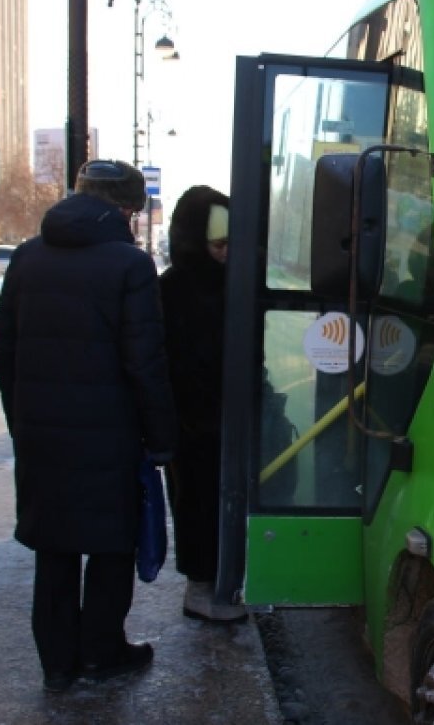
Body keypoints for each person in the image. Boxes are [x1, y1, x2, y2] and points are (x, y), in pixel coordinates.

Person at [0, 159, 178, 692]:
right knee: (110, 545)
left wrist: (20, 420)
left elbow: (5, 350)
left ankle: (56, 663)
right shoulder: (129, 266)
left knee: (55, 549)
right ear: (125, 208)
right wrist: (161, 439)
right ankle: (101, 651)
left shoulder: (27, 258)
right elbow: (146, 363)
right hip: (110, 436)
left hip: (41, 433)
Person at [157, 185, 247, 621]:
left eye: (233, 243)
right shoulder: (173, 290)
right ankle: (201, 587)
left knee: (220, 503)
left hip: (222, 418)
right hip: (193, 424)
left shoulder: (235, 284)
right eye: (219, 245)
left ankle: (221, 581)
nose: (227, 253)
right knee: (196, 504)